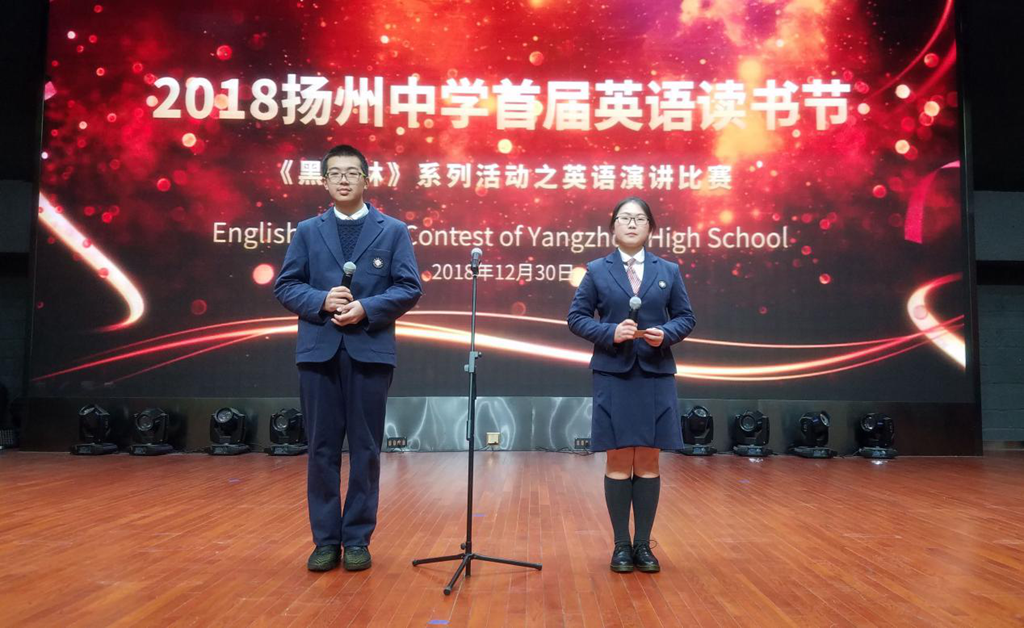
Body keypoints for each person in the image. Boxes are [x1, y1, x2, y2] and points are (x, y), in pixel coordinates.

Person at [274, 144, 422, 572]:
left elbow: (409, 287)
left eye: (352, 172)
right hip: (318, 353)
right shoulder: (308, 230)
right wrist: (321, 300)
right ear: (324, 182)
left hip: (369, 350)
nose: (343, 179)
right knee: (321, 448)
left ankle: (357, 539)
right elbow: (286, 285)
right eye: (335, 173)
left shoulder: (393, 230)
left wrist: (367, 308)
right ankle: (325, 541)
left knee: (365, 449)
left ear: (366, 180)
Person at [566, 196, 696, 573]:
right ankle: (621, 546)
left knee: (649, 460)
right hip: (614, 374)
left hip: (655, 373)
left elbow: (686, 317)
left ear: (650, 228)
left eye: (639, 218)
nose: (632, 224)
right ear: (613, 228)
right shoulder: (597, 270)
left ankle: (644, 546)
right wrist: (610, 332)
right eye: (625, 218)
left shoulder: (668, 270)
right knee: (620, 458)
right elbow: (576, 318)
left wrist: (666, 333)